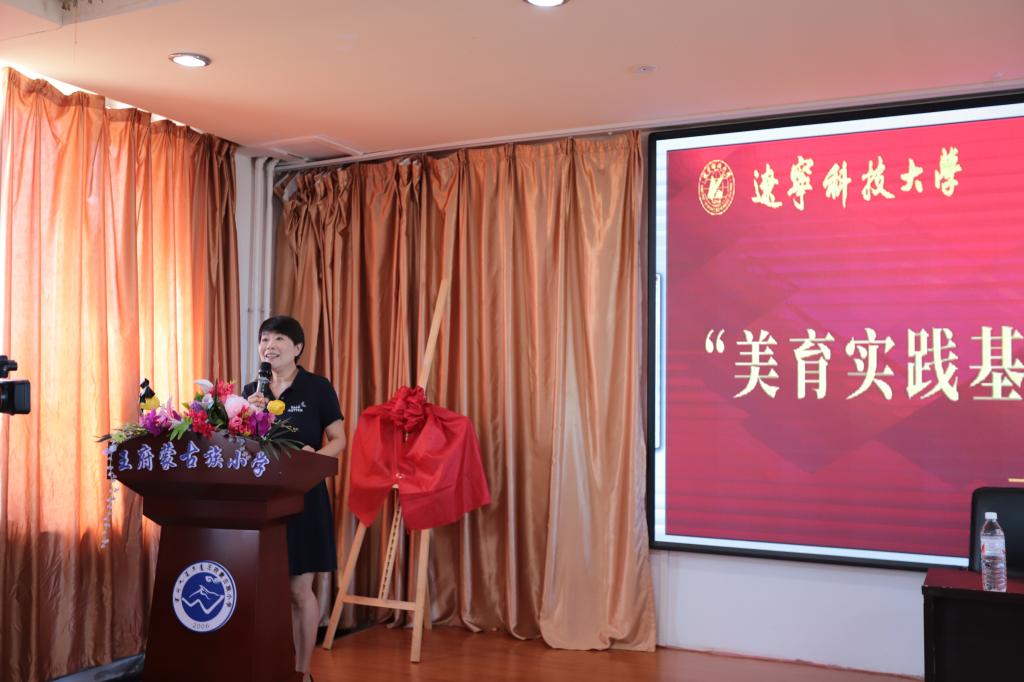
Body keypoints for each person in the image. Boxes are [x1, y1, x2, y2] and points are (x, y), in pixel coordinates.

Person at [244, 315, 345, 682]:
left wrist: (312, 461)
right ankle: (273, 666)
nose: (269, 346)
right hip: (262, 501)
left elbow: (339, 440)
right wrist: (246, 418)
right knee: (266, 588)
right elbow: (241, 447)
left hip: (304, 498)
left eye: (279, 339)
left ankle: (303, 671)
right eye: (264, 339)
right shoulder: (252, 391)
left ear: (297, 348)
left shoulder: (317, 388)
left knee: (298, 589)